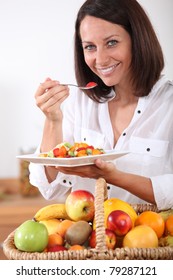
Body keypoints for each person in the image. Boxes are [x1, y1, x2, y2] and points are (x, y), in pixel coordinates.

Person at [29, 0, 173, 210]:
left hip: (152, 239)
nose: (101, 59)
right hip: (89, 240)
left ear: (138, 40)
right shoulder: (80, 102)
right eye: (90, 47)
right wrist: (52, 119)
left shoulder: (168, 104)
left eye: (112, 42)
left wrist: (115, 177)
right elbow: (49, 187)